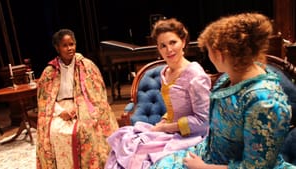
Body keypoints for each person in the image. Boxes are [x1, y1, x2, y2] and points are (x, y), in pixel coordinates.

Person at [150, 12, 294, 169]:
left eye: (208, 51)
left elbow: (257, 167)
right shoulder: (229, 77)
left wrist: (202, 167)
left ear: (219, 54)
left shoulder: (264, 101)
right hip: (209, 153)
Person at [104, 18, 211, 169]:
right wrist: (164, 121)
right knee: (123, 143)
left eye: (173, 42)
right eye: (163, 46)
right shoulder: (165, 72)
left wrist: (165, 128)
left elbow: (203, 121)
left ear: (184, 42)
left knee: (142, 157)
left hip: (191, 136)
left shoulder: (195, 74)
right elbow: (173, 109)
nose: (169, 50)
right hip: (169, 130)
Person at [36, 29, 119, 169]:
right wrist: (60, 111)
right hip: (59, 108)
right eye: (65, 45)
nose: (70, 48)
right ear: (57, 48)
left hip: (84, 105)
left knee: (87, 129)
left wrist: (80, 106)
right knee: (54, 132)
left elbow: (97, 93)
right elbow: (45, 100)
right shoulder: (50, 71)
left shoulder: (87, 66)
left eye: (72, 44)